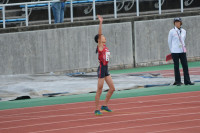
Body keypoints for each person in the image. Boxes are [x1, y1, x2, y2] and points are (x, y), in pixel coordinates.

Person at [94, 15, 115, 115]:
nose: (104, 37)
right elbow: (99, 33)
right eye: (102, 36)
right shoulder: (100, 46)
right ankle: (97, 109)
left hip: (106, 69)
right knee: (100, 89)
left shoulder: (105, 46)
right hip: (102, 69)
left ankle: (105, 105)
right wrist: (100, 22)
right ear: (99, 39)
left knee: (112, 88)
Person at [168, 17, 194, 86]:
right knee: (176, 66)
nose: (177, 23)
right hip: (175, 51)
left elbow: (183, 40)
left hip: (182, 51)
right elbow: (169, 41)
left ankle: (187, 81)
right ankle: (178, 81)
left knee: (185, 66)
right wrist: (172, 50)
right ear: (174, 23)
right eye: (175, 22)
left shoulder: (184, 31)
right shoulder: (172, 31)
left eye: (178, 22)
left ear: (180, 23)